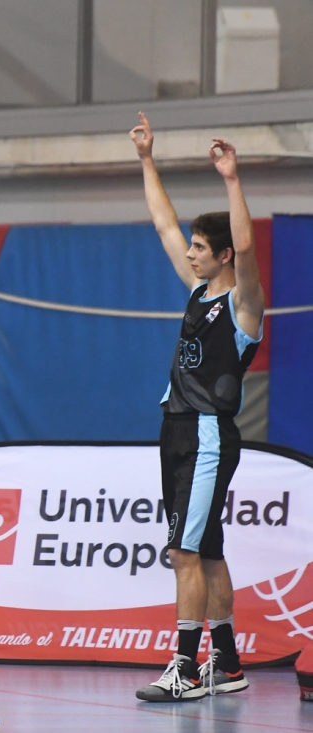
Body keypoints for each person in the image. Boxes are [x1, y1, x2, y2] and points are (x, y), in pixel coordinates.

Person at [130, 112, 262, 701]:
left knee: (182, 551)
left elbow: (249, 246)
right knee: (206, 551)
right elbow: (163, 222)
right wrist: (147, 159)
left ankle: (184, 669)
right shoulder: (196, 292)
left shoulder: (244, 306)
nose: (189, 252)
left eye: (201, 247)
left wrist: (231, 179)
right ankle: (227, 664)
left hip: (208, 433)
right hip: (177, 430)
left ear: (225, 256)